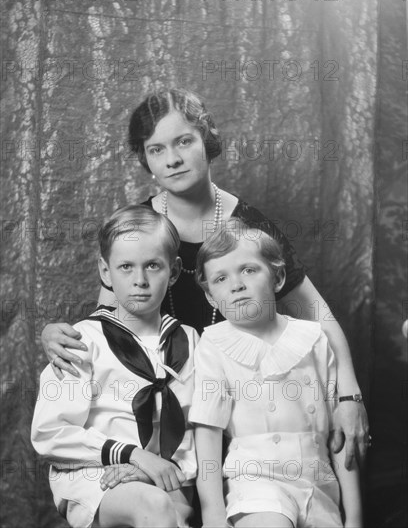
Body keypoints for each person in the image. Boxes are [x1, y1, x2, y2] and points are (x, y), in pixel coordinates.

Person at [40, 88, 368, 468]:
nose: (173, 159)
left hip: (243, 405)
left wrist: (350, 398)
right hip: (165, 412)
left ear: (206, 140)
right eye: (156, 149)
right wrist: (56, 334)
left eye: (183, 141)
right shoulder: (142, 229)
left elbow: (320, 318)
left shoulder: (249, 225)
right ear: (146, 160)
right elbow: (107, 324)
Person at [31, 205, 199, 528]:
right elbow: (49, 434)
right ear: (105, 272)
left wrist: (163, 467)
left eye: (153, 265)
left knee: (175, 512)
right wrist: (133, 455)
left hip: (165, 473)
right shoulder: (82, 341)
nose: (140, 280)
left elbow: (200, 428)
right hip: (96, 474)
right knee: (155, 507)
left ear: (174, 271)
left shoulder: (190, 341)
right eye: (125, 267)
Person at [189, 219, 363, 528]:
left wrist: (355, 517)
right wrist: (213, 514)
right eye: (220, 279)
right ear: (210, 297)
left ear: (278, 277)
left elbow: (342, 440)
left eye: (249, 270)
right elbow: (207, 435)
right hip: (256, 483)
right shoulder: (214, 345)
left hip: (318, 483)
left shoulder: (314, 338)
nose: (236, 284)